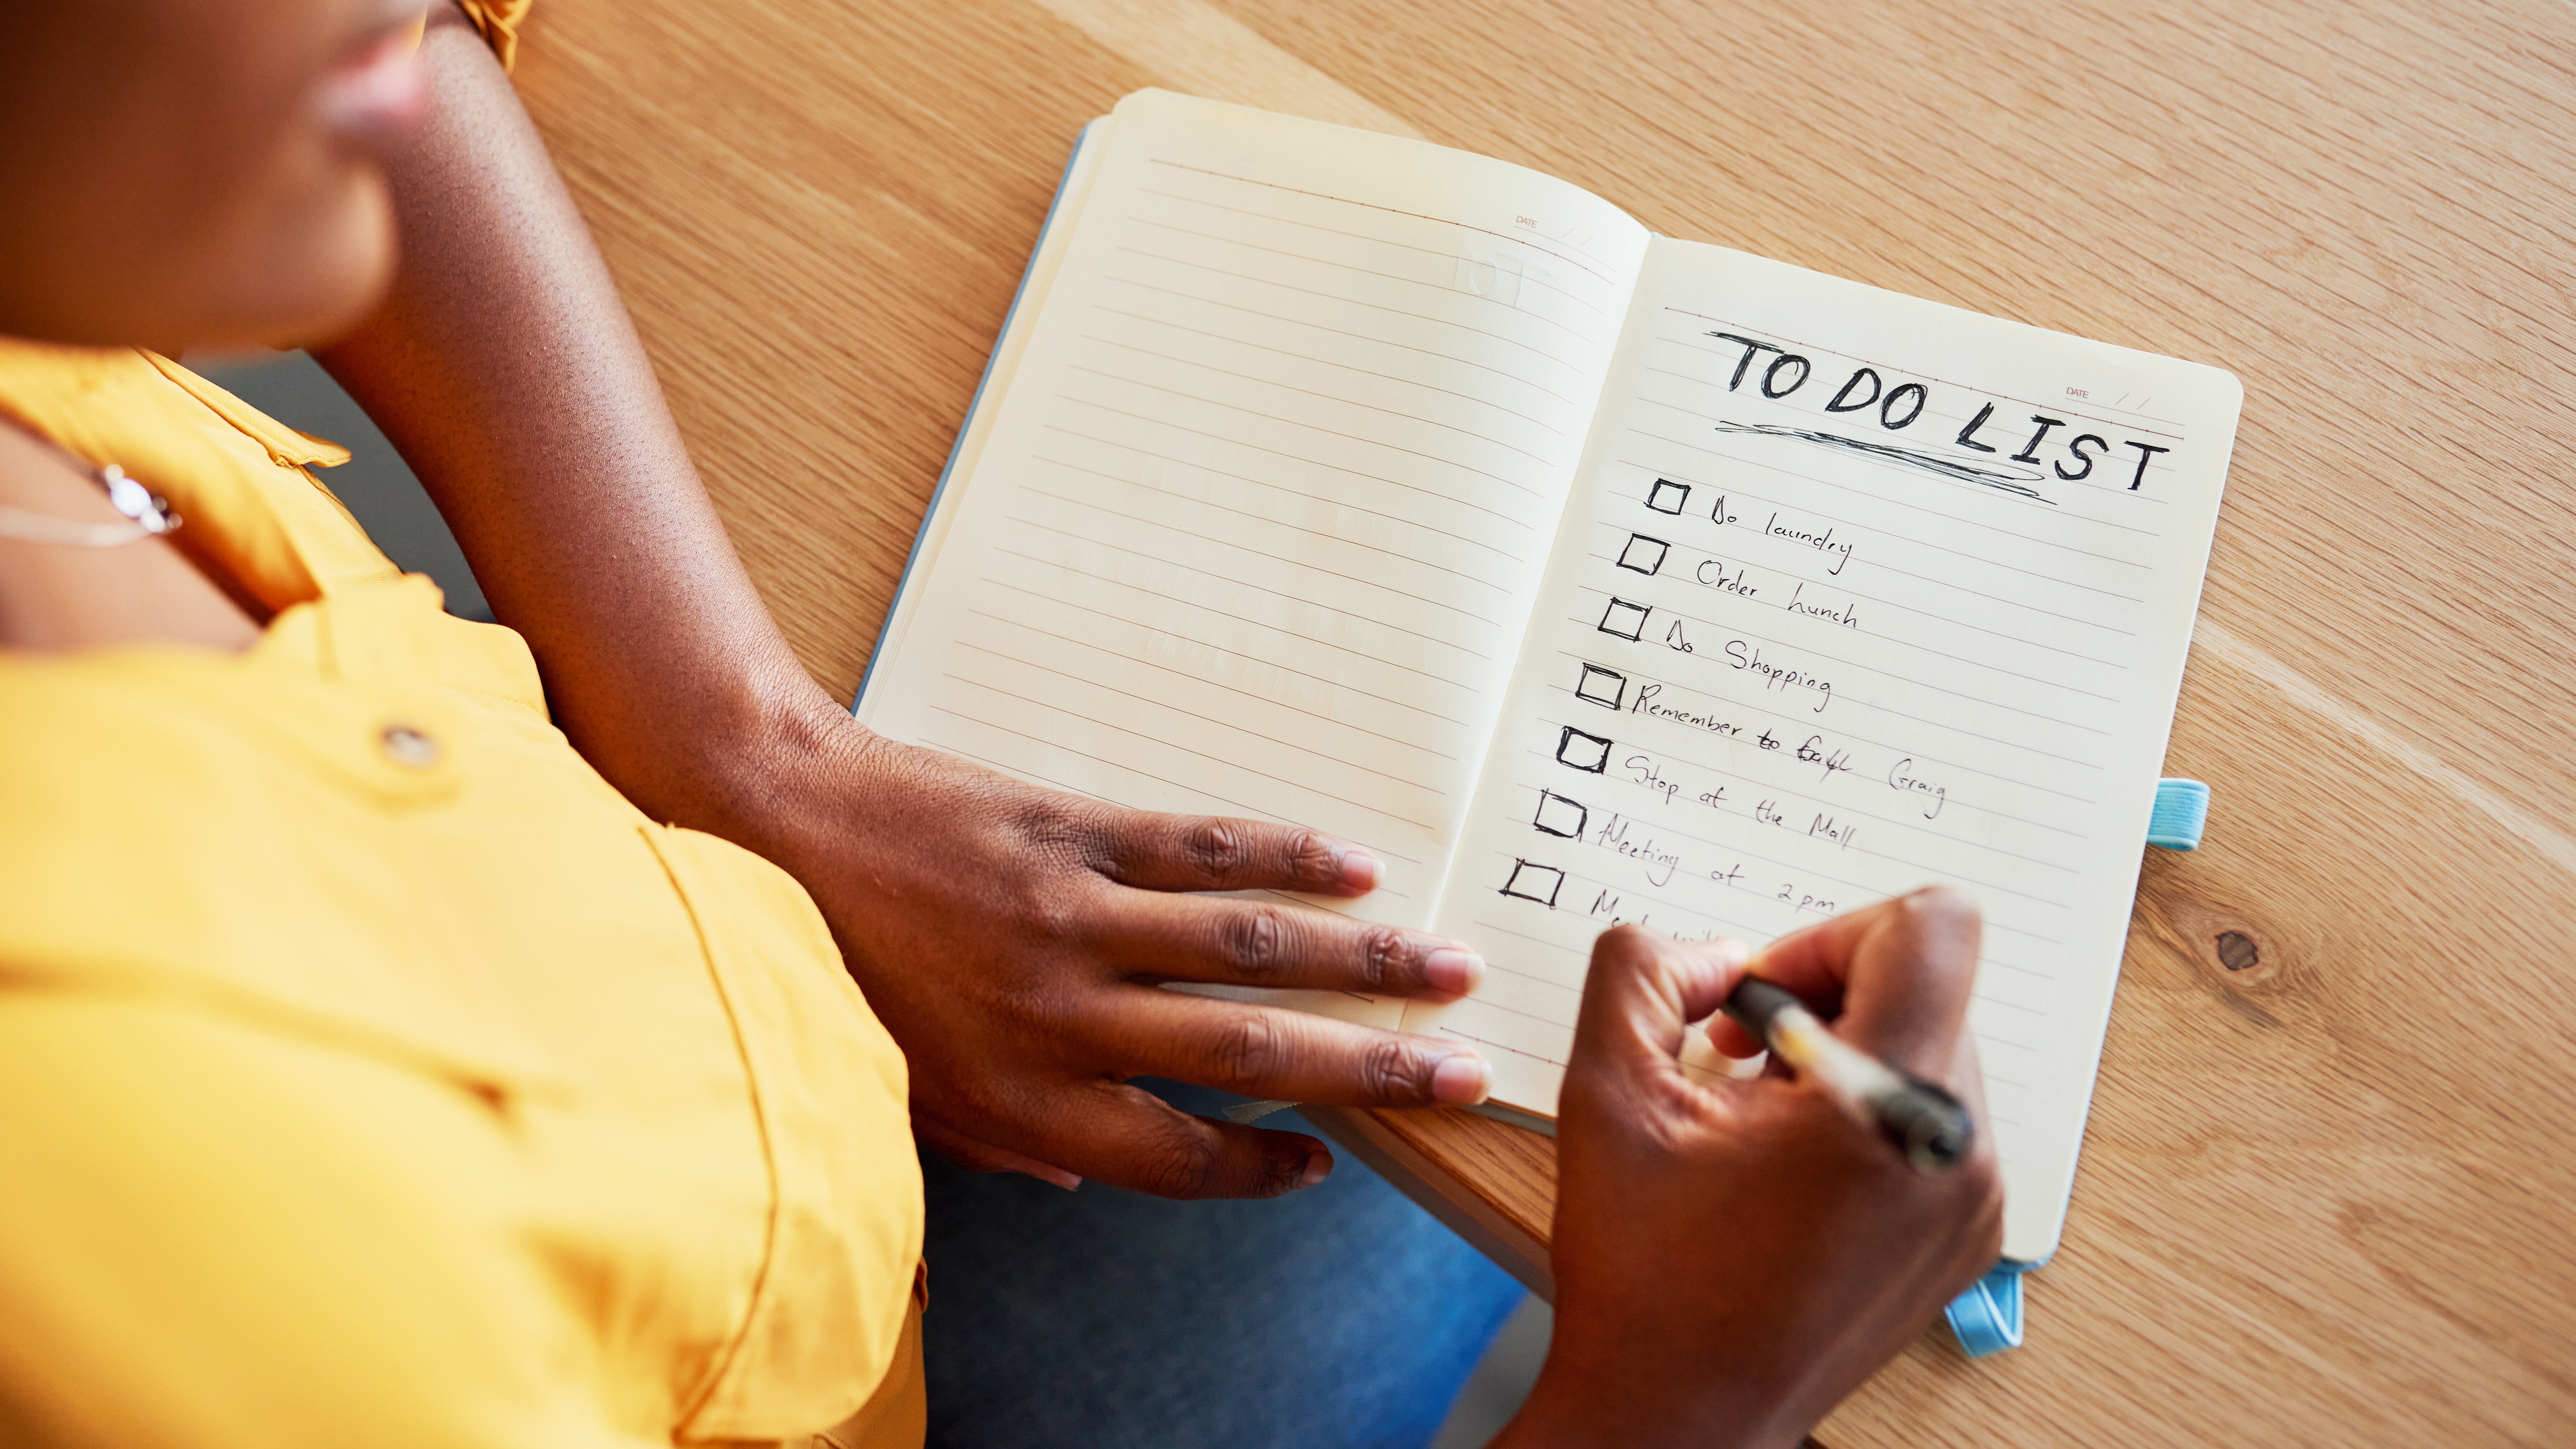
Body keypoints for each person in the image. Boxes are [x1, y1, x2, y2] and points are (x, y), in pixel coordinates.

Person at [0, 1, 2002, 1446]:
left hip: (724, 1054)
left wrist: (731, 740)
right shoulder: (178, 1273)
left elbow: (388, 55)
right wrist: (1676, 1398)